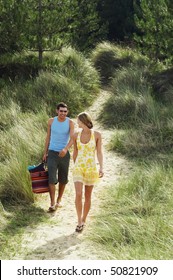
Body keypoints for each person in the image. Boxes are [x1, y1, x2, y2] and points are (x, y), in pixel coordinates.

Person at [72, 112, 104, 232]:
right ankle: (79, 221)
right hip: (79, 167)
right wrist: (75, 165)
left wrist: (101, 167)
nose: (77, 123)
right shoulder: (75, 135)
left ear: (83, 121)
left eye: (78, 121)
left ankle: (84, 219)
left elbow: (99, 152)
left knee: (87, 196)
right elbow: (75, 152)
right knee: (79, 194)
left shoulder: (97, 135)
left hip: (91, 168)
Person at [43, 102, 74, 212]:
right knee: (51, 178)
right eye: (61, 111)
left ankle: (59, 200)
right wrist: (44, 152)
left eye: (65, 111)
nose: (63, 113)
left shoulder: (70, 122)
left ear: (67, 112)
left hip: (64, 154)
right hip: (52, 153)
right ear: (57, 111)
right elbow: (48, 137)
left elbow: (72, 139)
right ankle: (52, 203)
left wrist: (66, 149)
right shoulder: (51, 121)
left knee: (63, 179)